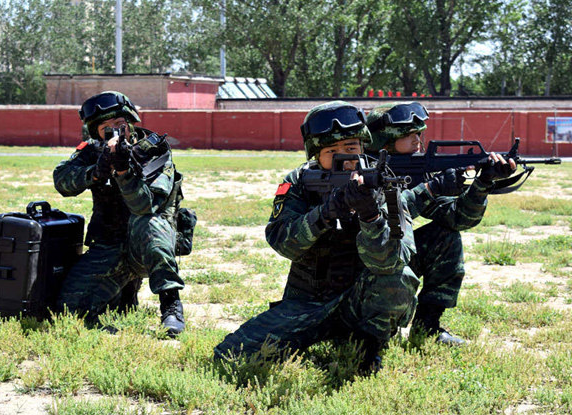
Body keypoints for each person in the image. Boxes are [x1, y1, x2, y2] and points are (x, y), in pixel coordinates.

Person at [214, 101, 466, 372]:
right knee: (230, 355)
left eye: (351, 149)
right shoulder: (299, 182)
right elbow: (282, 242)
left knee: (397, 277)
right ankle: (323, 336)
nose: (345, 158)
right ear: (315, 154)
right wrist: (324, 214)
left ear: (363, 147)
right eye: (332, 151)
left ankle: (369, 346)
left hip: (362, 302)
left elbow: (392, 261)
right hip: (308, 302)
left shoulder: (382, 181)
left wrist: (370, 216)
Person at [365, 101, 516, 345]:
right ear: (384, 140)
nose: (418, 140)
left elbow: (457, 218)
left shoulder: (417, 170)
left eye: (419, 133)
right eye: (409, 134)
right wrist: (429, 189)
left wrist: (482, 184)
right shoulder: (361, 172)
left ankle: (427, 327)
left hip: (392, 259)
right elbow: (383, 216)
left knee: (446, 236)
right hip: (361, 266)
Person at [53, 91, 186, 336]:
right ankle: (123, 293)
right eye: (106, 128)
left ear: (130, 122)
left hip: (147, 245)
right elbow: (61, 181)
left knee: (149, 223)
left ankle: (171, 304)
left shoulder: (153, 150)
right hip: (110, 243)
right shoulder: (93, 152)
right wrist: (96, 171)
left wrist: (124, 173)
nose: (114, 132)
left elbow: (145, 206)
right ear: (96, 132)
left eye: (119, 125)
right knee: (68, 310)